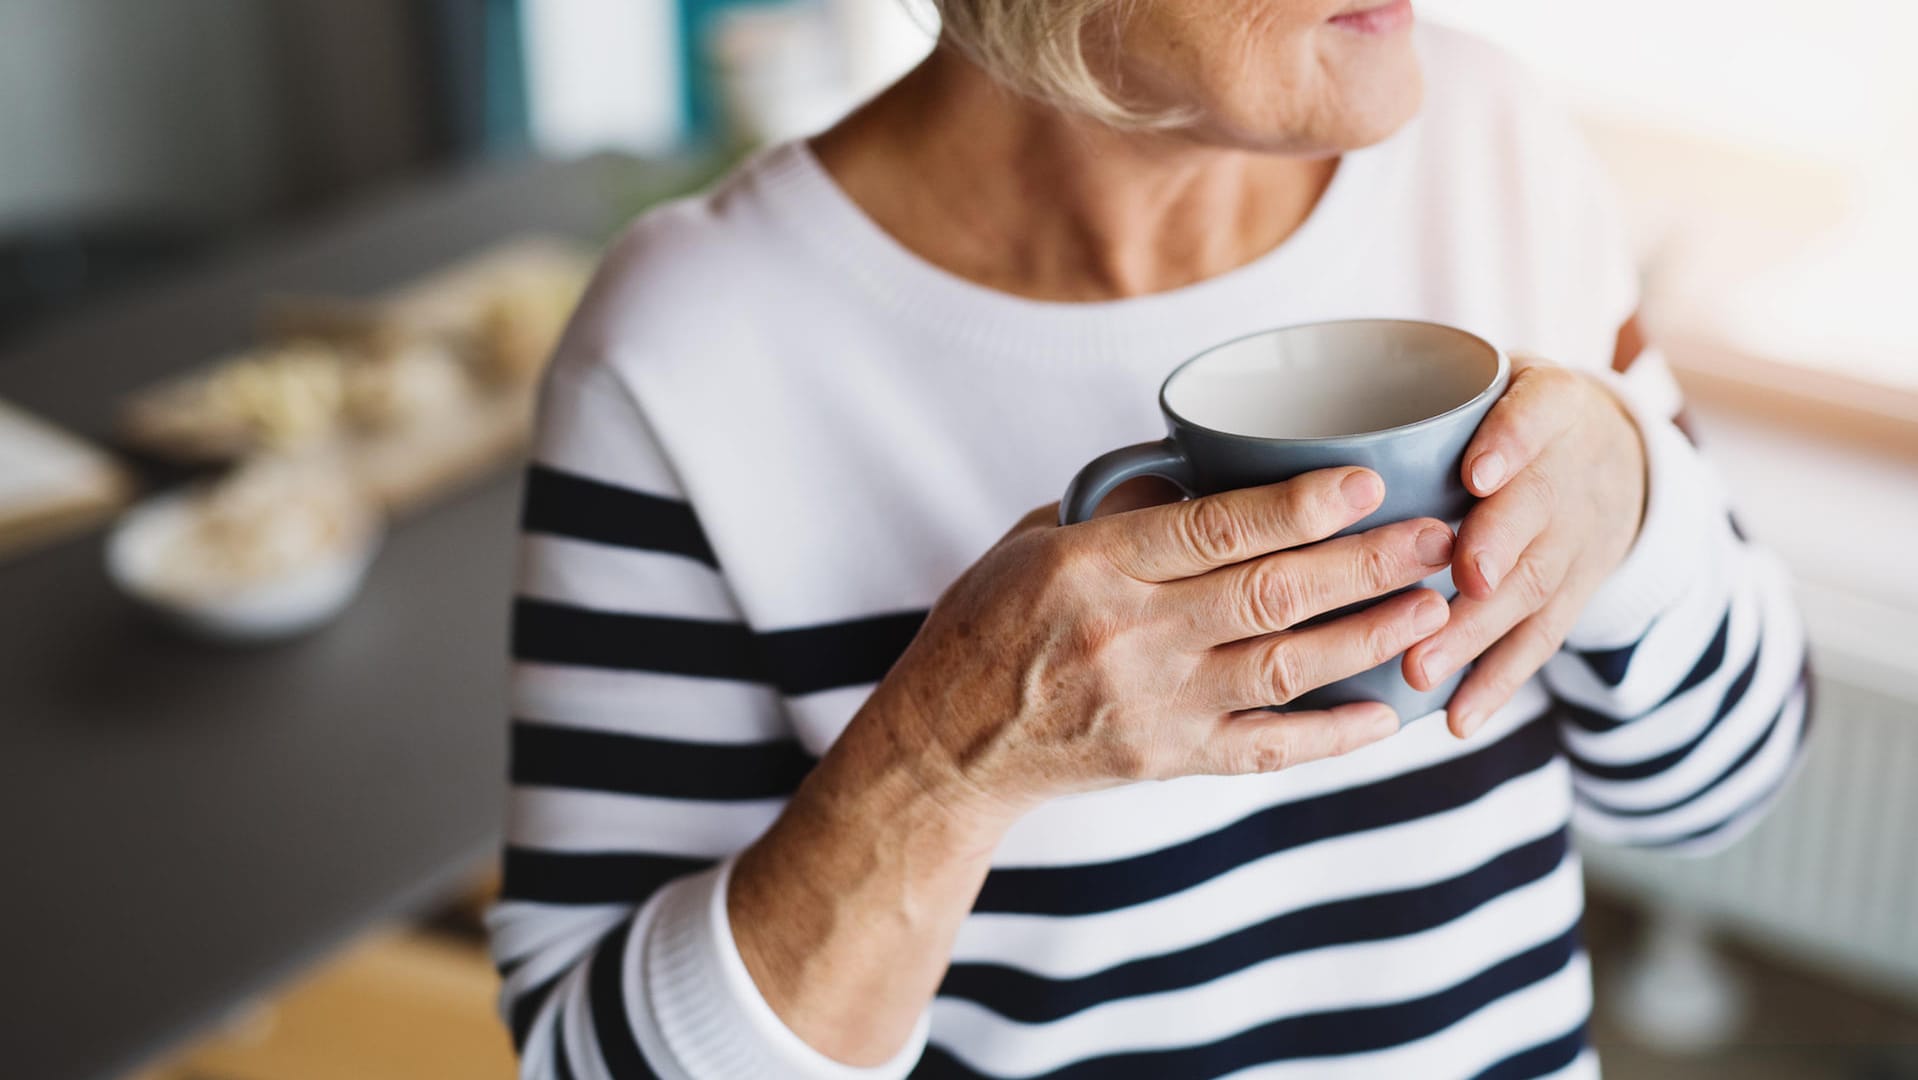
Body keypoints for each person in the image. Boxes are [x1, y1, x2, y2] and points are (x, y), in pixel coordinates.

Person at [487, 2, 1809, 1076]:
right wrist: (944, 762)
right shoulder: (685, 353)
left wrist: (1636, 504)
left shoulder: (1491, 144)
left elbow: (1719, 792)